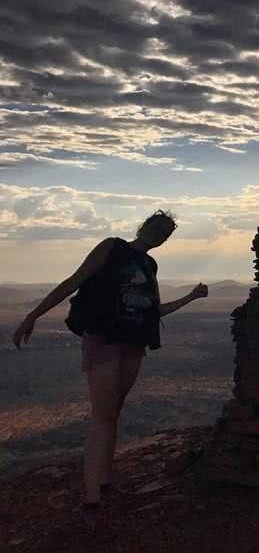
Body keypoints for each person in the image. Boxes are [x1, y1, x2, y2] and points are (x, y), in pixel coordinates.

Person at [11, 210, 208, 538]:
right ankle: (91, 503)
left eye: (165, 232)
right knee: (102, 418)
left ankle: (103, 485)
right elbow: (74, 281)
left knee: (112, 415)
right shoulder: (111, 248)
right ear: (142, 225)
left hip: (133, 345)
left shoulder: (149, 266)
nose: (158, 234)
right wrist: (33, 316)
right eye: (156, 227)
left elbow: (153, 309)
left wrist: (191, 297)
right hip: (103, 341)